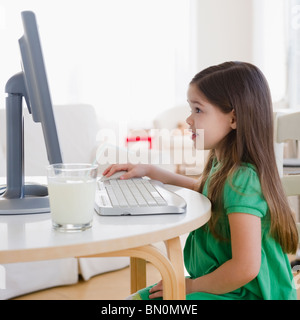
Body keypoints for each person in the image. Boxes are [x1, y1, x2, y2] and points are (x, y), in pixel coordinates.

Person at [102, 61, 298, 300]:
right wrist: (152, 171)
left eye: (198, 110)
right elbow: (209, 191)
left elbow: (245, 268)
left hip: (245, 294)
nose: (188, 120)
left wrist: (192, 287)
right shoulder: (223, 165)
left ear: (233, 118)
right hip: (225, 287)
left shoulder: (243, 179)